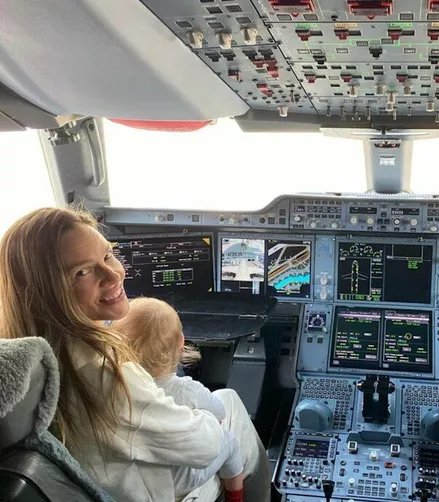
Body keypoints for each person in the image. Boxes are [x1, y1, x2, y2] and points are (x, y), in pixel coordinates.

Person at [0, 207, 270, 502]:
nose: (113, 274)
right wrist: (204, 417)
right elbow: (204, 445)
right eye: (82, 272)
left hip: (110, 475)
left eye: (107, 255)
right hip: (155, 492)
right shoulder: (106, 377)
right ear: (46, 292)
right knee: (231, 415)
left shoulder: (25, 352)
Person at [112, 297, 245, 502]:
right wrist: (205, 416)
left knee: (228, 396)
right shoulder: (186, 389)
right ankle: (237, 497)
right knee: (231, 443)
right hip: (179, 481)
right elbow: (220, 413)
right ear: (181, 341)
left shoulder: (111, 386)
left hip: (135, 479)